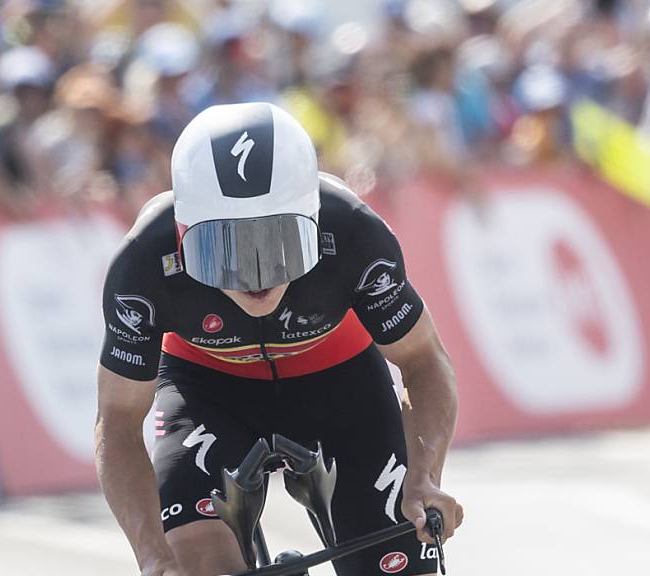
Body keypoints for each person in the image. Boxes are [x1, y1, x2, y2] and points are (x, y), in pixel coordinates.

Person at [95, 102, 463, 576]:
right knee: (196, 565)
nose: (255, 278)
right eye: (223, 249)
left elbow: (424, 361)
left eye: (278, 245)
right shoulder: (143, 261)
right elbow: (119, 421)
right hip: (207, 390)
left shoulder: (353, 230)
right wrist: (152, 555)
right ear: (183, 235)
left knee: (396, 564)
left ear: (314, 220)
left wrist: (424, 478)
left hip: (341, 385)